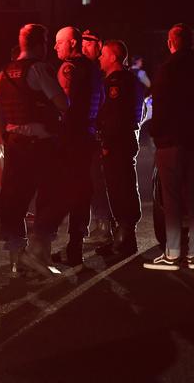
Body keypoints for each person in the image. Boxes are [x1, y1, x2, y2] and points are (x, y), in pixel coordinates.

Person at [0, 23, 68, 277]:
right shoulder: (39, 69)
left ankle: (16, 259)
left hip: (14, 143)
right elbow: (62, 102)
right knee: (52, 197)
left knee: (14, 201)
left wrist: (5, 138)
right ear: (40, 44)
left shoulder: (4, 71)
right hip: (40, 145)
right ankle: (38, 252)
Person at [144, 24, 194, 271]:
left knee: (172, 199)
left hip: (171, 143)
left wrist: (156, 133)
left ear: (171, 43)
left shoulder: (167, 71)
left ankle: (173, 253)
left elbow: (161, 108)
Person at [54, 26, 102, 265]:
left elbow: (63, 105)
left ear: (72, 43)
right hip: (89, 136)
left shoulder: (68, 68)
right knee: (83, 191)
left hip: (70, 139)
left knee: (65, 191)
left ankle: (60, 246)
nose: (55, 47)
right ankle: (76, 246)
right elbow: (100, 100)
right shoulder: (93, 68)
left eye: (59, 42)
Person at [96, 40, 144, 257]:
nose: (100, 58)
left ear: (113, 57)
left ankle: (125, 238)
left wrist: (106, 143)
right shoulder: (128, 80)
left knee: (120, 188)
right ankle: (122, 236)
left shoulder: (117, 82)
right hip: (122, 141)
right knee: (119, 187)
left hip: (117, 143)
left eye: (103, 54)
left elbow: (115, 118)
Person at [81, 29, 114, 245]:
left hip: (95, 134)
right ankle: (97, 225)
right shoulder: (87, 70)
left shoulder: (97, 71)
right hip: (88, 133)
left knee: (96, 182)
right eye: (82, 44)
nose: (85, 49)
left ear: (98, 45)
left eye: (89, 44)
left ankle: (104, 226)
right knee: (89, 183)